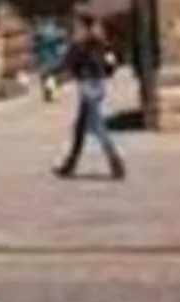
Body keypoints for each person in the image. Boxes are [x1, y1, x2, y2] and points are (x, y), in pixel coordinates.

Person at [52, 10, 127, 181]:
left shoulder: (80, 44)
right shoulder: (101, 42)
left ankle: (115, 161)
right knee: (80, 127)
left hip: (87, 86)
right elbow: (111, 63)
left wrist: (53, 72)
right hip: (98, 84)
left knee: (98, 126)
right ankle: (70, 164)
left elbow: (66, 63)